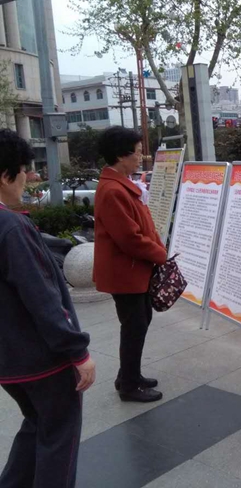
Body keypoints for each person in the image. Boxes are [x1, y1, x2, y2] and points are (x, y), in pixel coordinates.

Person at [0, 129, 96, 488]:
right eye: (24, 170)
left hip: (8, 361)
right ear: (5, 175)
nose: (27, 177)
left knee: (38, 423)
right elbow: (42, 298)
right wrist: (77, 351)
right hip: (41, 359)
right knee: (59, 435)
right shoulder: (11, 227)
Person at [93, 127, 167, 403]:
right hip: (126, 272)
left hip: (135, 270)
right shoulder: (113, 190)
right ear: (121, 155)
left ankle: (128, 375)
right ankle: (129, 386)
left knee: (140, 321)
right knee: (134, 326)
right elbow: (129, 238)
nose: (140, 157)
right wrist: (160, 254)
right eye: (136, 152)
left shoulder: (121, 185)